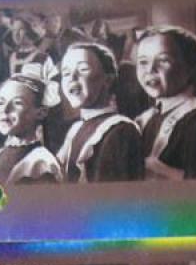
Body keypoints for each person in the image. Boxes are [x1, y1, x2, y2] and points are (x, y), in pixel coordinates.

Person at [134, 26, 196, 180]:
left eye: (163, 60)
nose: (150, 69)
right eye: (143, 62)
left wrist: (160, 171)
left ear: (189, 66)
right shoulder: (145, 119)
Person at [56, 42, 144, 182]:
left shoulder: (120, 130)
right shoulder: (76, 129)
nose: (72, 77)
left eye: (83, 69)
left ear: (108, 80)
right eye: (65, 73)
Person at [0, 72, 63, 185]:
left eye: (17, 103)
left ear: (41, 113)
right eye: (1, 103)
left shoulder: (41, 163)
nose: (5, 110)